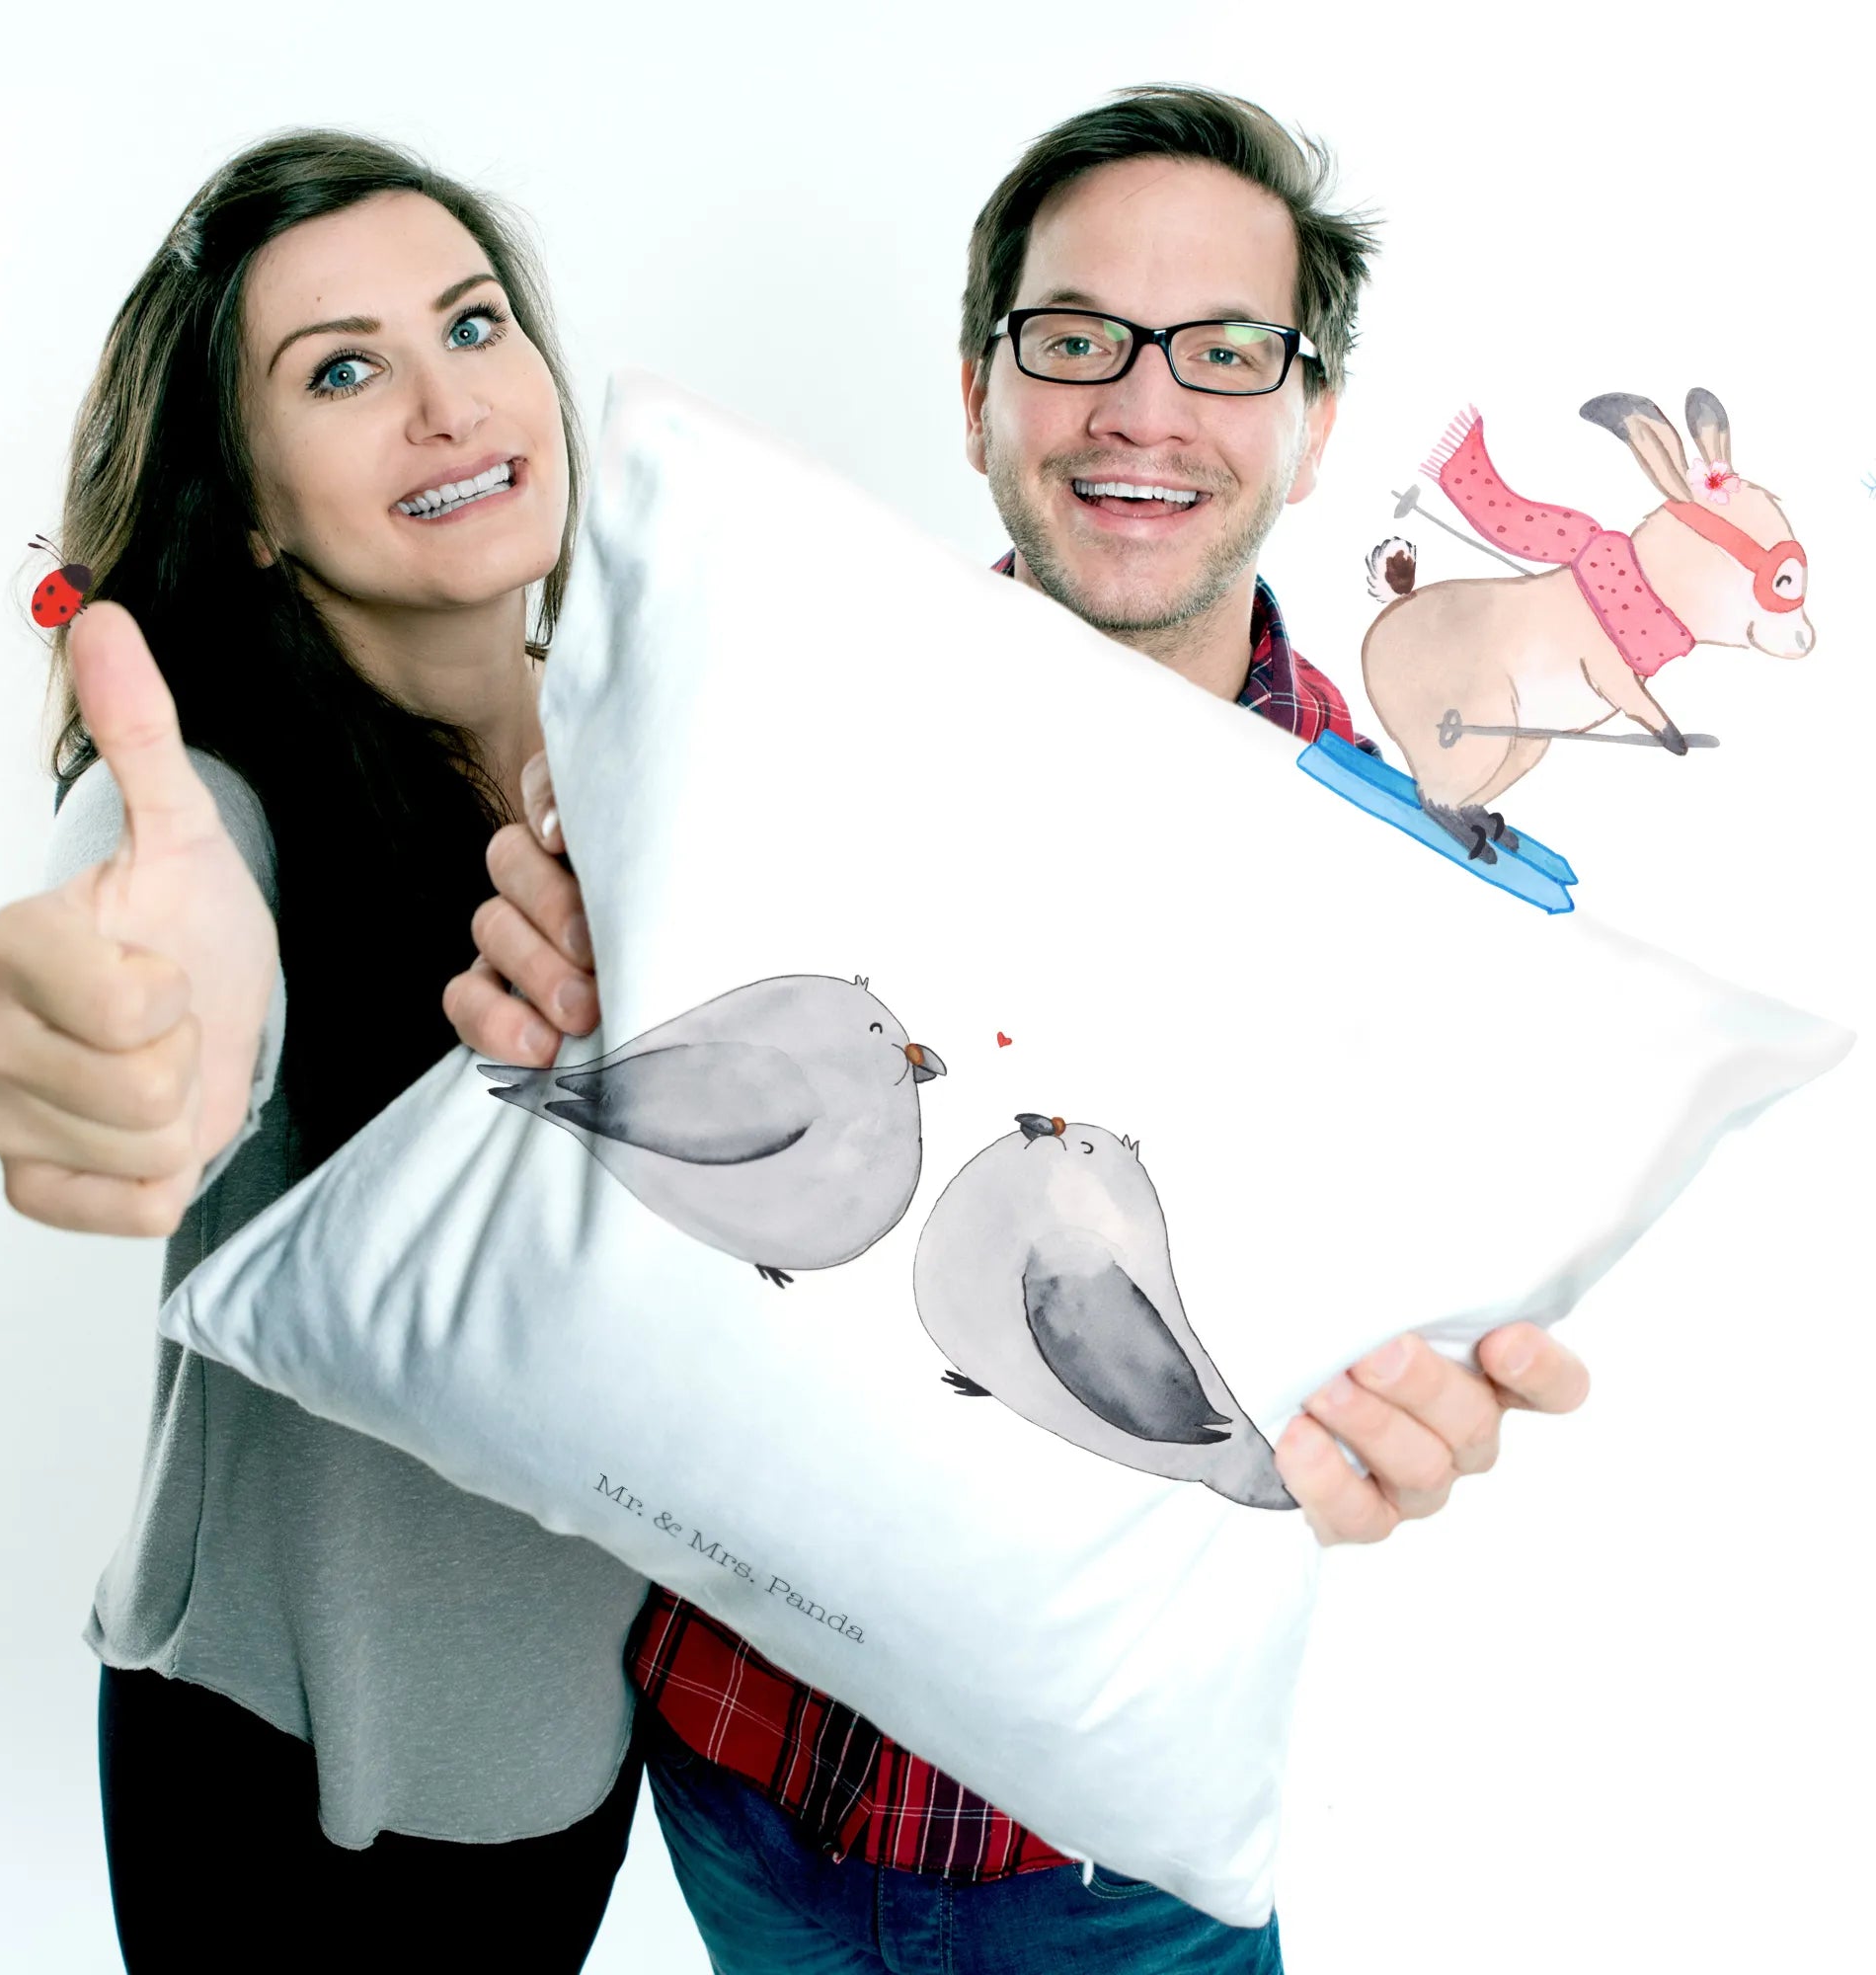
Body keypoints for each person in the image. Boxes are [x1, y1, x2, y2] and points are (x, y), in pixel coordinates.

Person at [446, 86, 1594, 1971]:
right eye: (1077, 340)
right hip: (729, 1779)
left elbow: (1353, 1353)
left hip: (1106, 1871)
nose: (1144, 407)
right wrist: (546, 1015)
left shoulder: (1410, 903)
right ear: (979, 392)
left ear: (1311, 428)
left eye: (1226, 351)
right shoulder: (752, 727)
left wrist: (1400, 1410)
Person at [0, 133, 648, 1972]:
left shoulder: (649, 762)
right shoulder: (217, 799)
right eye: (341, 371)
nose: (445, 403)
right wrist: (128, 1023)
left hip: (578, 1747)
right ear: (251, 507)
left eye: (473, 325)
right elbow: (160, 919)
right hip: (290, 1782)